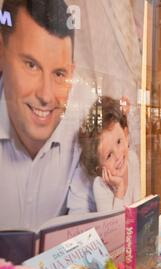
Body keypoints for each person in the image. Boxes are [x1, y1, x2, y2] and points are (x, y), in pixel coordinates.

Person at [0, 0, 94, 230]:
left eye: (59, 74)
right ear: (1, 52)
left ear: (72, 72)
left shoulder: (84, 126)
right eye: (31, 65)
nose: (45, 95)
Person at [78, 97, 140, 212]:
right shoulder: (100, 186)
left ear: (126, 135)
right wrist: (119, 191)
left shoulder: (132, 160)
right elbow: (113, 228)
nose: (118, 155)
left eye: (119, 141)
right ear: (99, 165)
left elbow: (139, 209)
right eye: (109, 155)